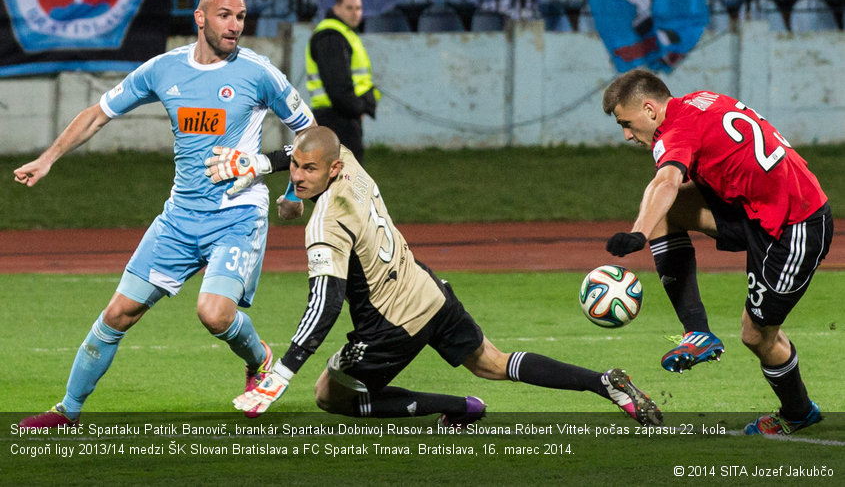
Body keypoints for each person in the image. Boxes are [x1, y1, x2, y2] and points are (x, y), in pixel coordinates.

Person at [210, 127, 662, 427]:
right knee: (494, 364)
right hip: (428, 290)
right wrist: (265, 166)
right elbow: (303, 147)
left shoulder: (325, 225)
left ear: (330, 170)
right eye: (296, 169)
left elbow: (324, 305)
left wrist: (282, 372)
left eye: (309, 170)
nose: (300, 174)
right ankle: (603, 383)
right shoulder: (345, 157)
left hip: (390, 322)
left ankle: (454, 407)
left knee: (330, 395)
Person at [14, 0, 315, 427]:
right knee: (118, 313)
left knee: (213, 314)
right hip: (179, 217)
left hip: (236, 214)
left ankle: (259, 358)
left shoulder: (258, 72)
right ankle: (67, 411)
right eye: (225, 15)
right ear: (200, 18)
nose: (235, 25)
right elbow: (99, 113)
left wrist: (290, 190)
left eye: (241, 17)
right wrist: (47, 159)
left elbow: (314, 138)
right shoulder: (163, 70)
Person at [602, 69, 832, 435]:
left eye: (626, 123)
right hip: (756, 212)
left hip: (795, 226)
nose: (627, 135)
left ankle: (798, 412)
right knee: (668, 211)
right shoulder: (698, 100)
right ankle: (697, 332)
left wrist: (638, 234)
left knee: (756, 335)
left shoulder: (672, 132)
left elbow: (667, 180)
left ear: (649, 109)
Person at [305, 0, 380, 163]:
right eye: (349, 8)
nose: (355, 13)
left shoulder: (342, 33)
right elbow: (337, 85)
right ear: (336, 8)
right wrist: (358, 107)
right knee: (344, 181)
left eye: (358, 8)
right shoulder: (332, 36)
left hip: (339, 116)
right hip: (337, 118)